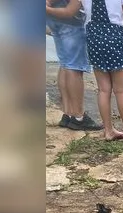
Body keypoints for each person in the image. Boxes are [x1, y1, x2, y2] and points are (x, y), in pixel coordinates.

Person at [81, 0, 123, 141]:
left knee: (103, 89)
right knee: (121, 90)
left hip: (94, 39)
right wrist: (121, 34)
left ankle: (108, 130)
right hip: (114, 37)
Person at [46, 0, 103, 130]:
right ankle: (78, 116)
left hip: (55, 20)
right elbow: (70, 11)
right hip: (70, 22)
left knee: (65, 63)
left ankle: (67, 113)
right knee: (74, 67)